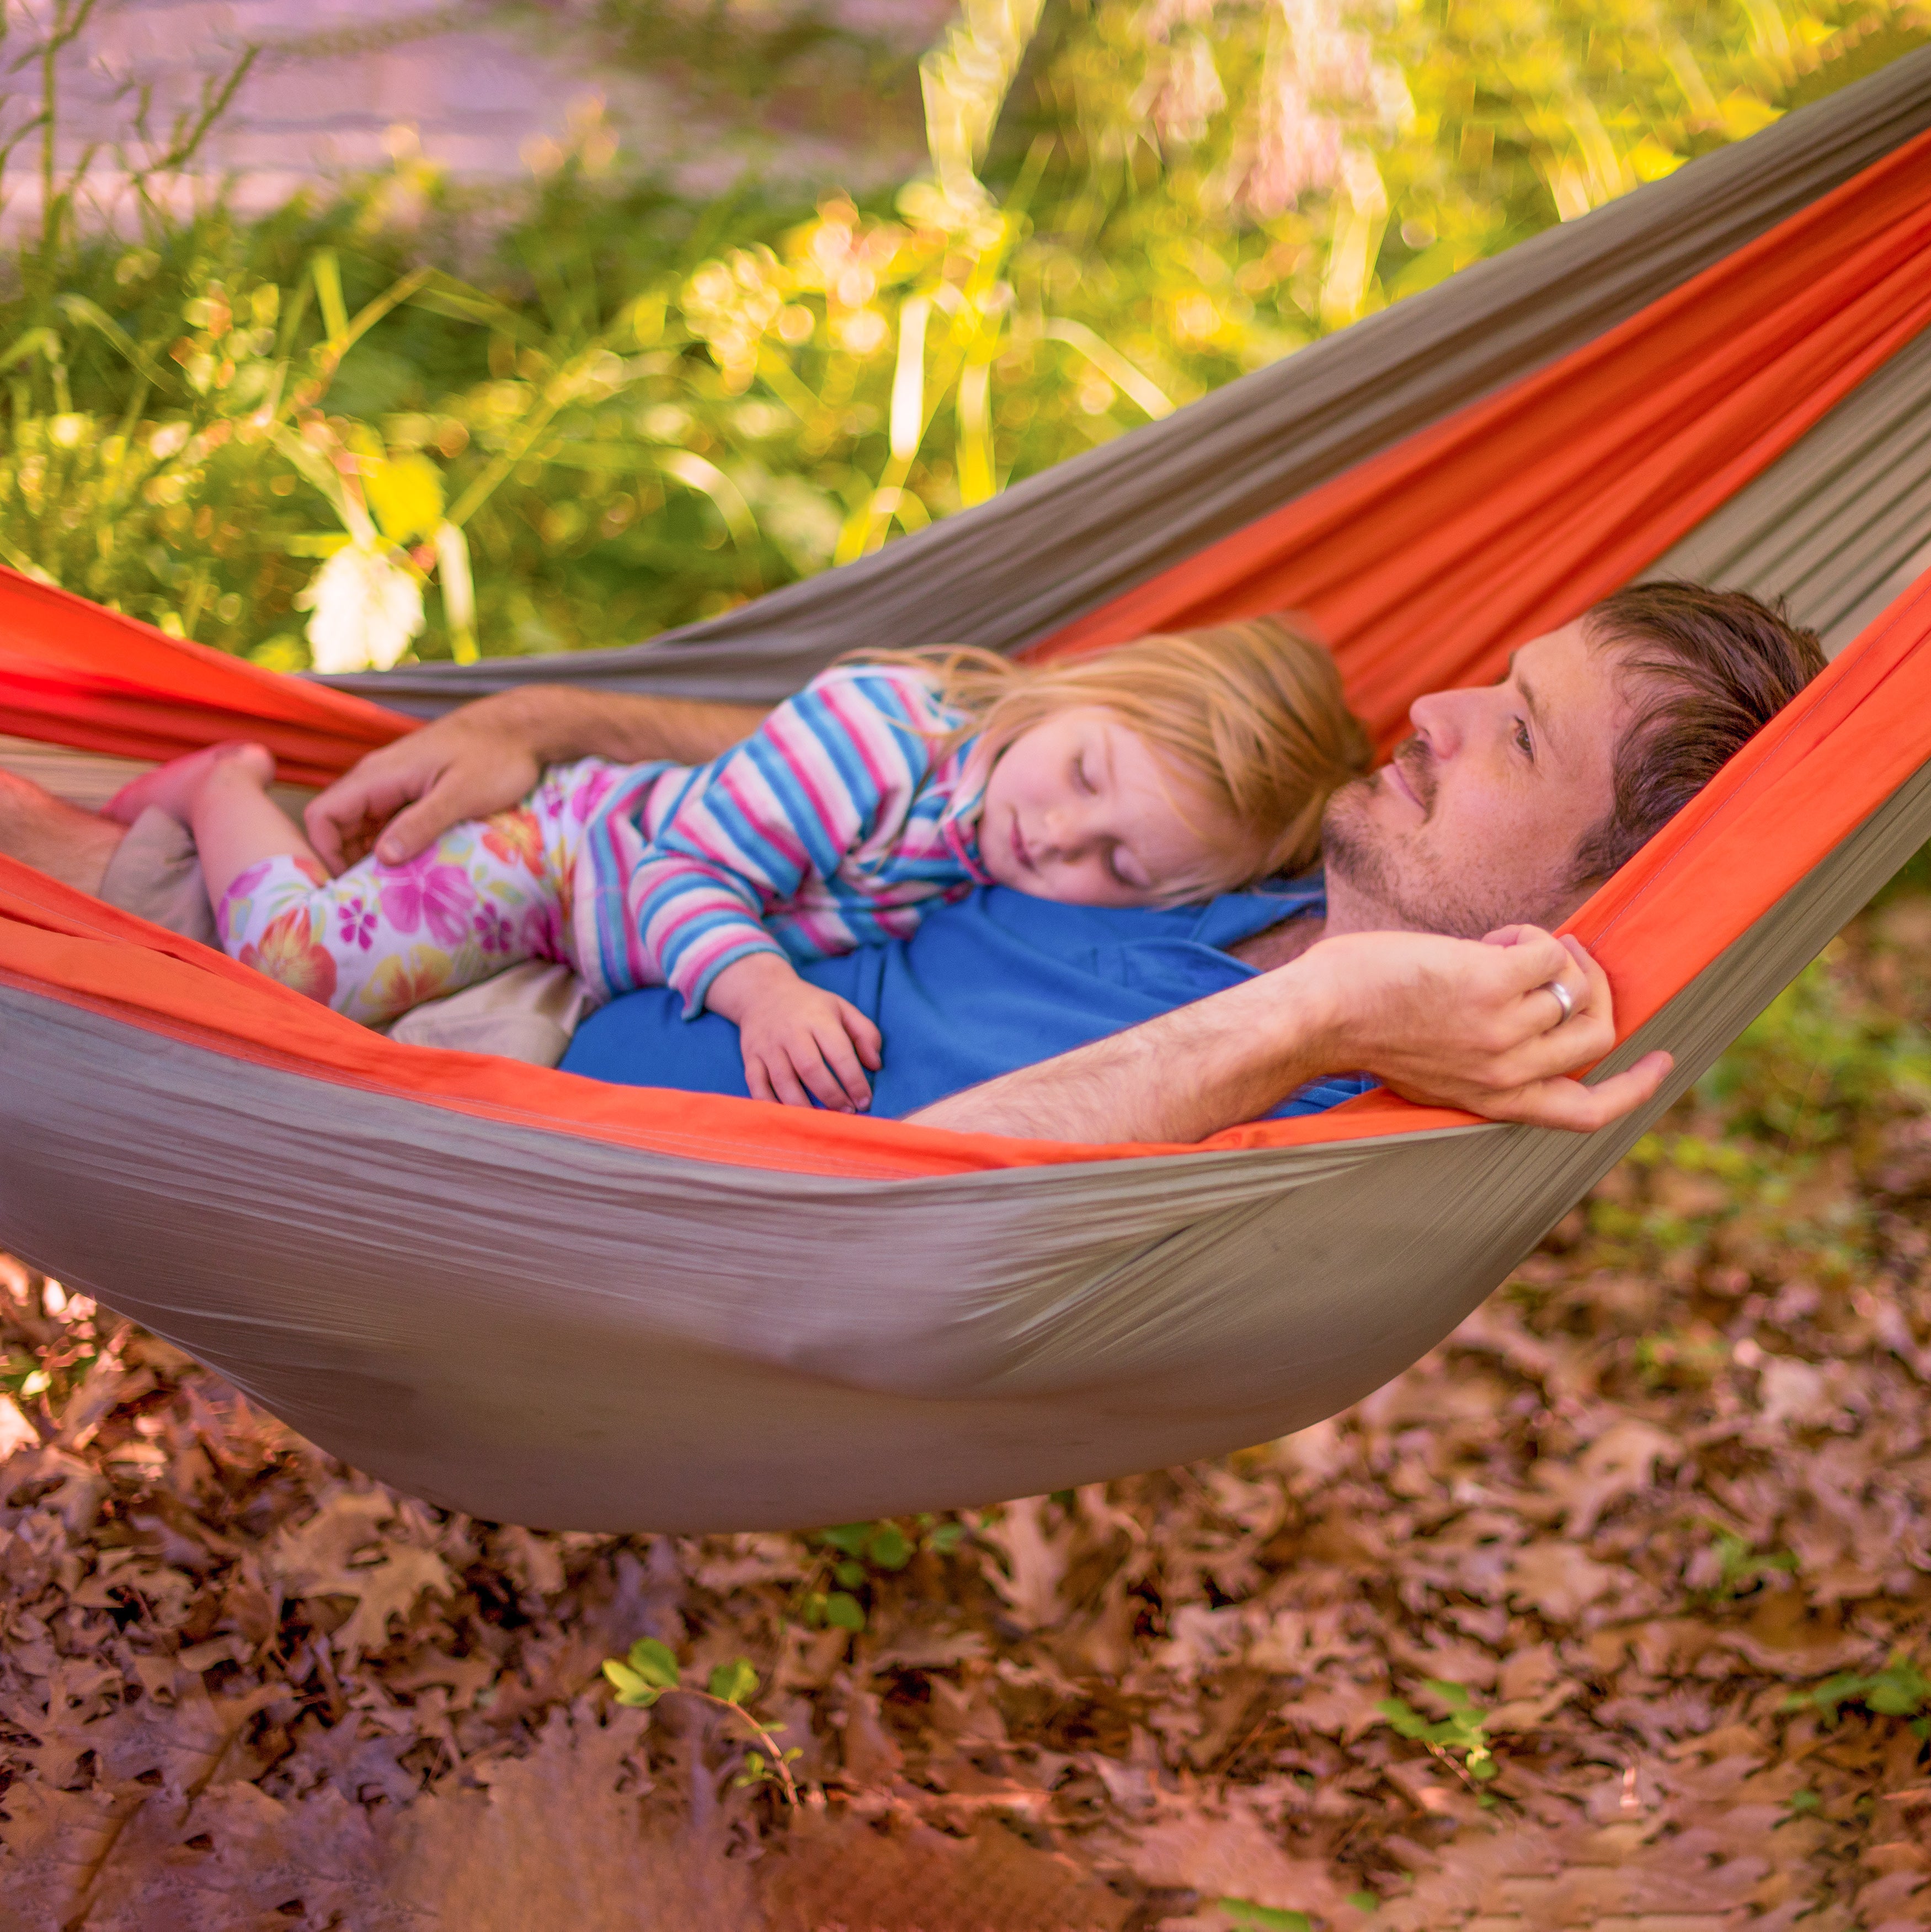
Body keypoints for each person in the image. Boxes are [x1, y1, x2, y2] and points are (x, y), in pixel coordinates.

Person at [0, 583, 1826, 1144]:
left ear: (1584, 889)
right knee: (56, 847)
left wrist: (1329, 1004)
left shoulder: (1366, 1081)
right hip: (548, 957)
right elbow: (915, 778)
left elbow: (946, 1217)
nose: (1425, 704)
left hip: (480, 1137)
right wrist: (552, 719)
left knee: (77, 928)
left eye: (1509, 733)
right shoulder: (1246, 845)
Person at [99, 620, 1369, 1112]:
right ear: (1079, 691)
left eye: (1119, 864)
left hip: (598, 948)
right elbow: (675, 876)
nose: (1055, 839)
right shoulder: (873, 735)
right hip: (564, 860)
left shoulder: (998, 839)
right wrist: (762, 992)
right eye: (1086, 778)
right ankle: (225, 786)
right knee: (299, 971)